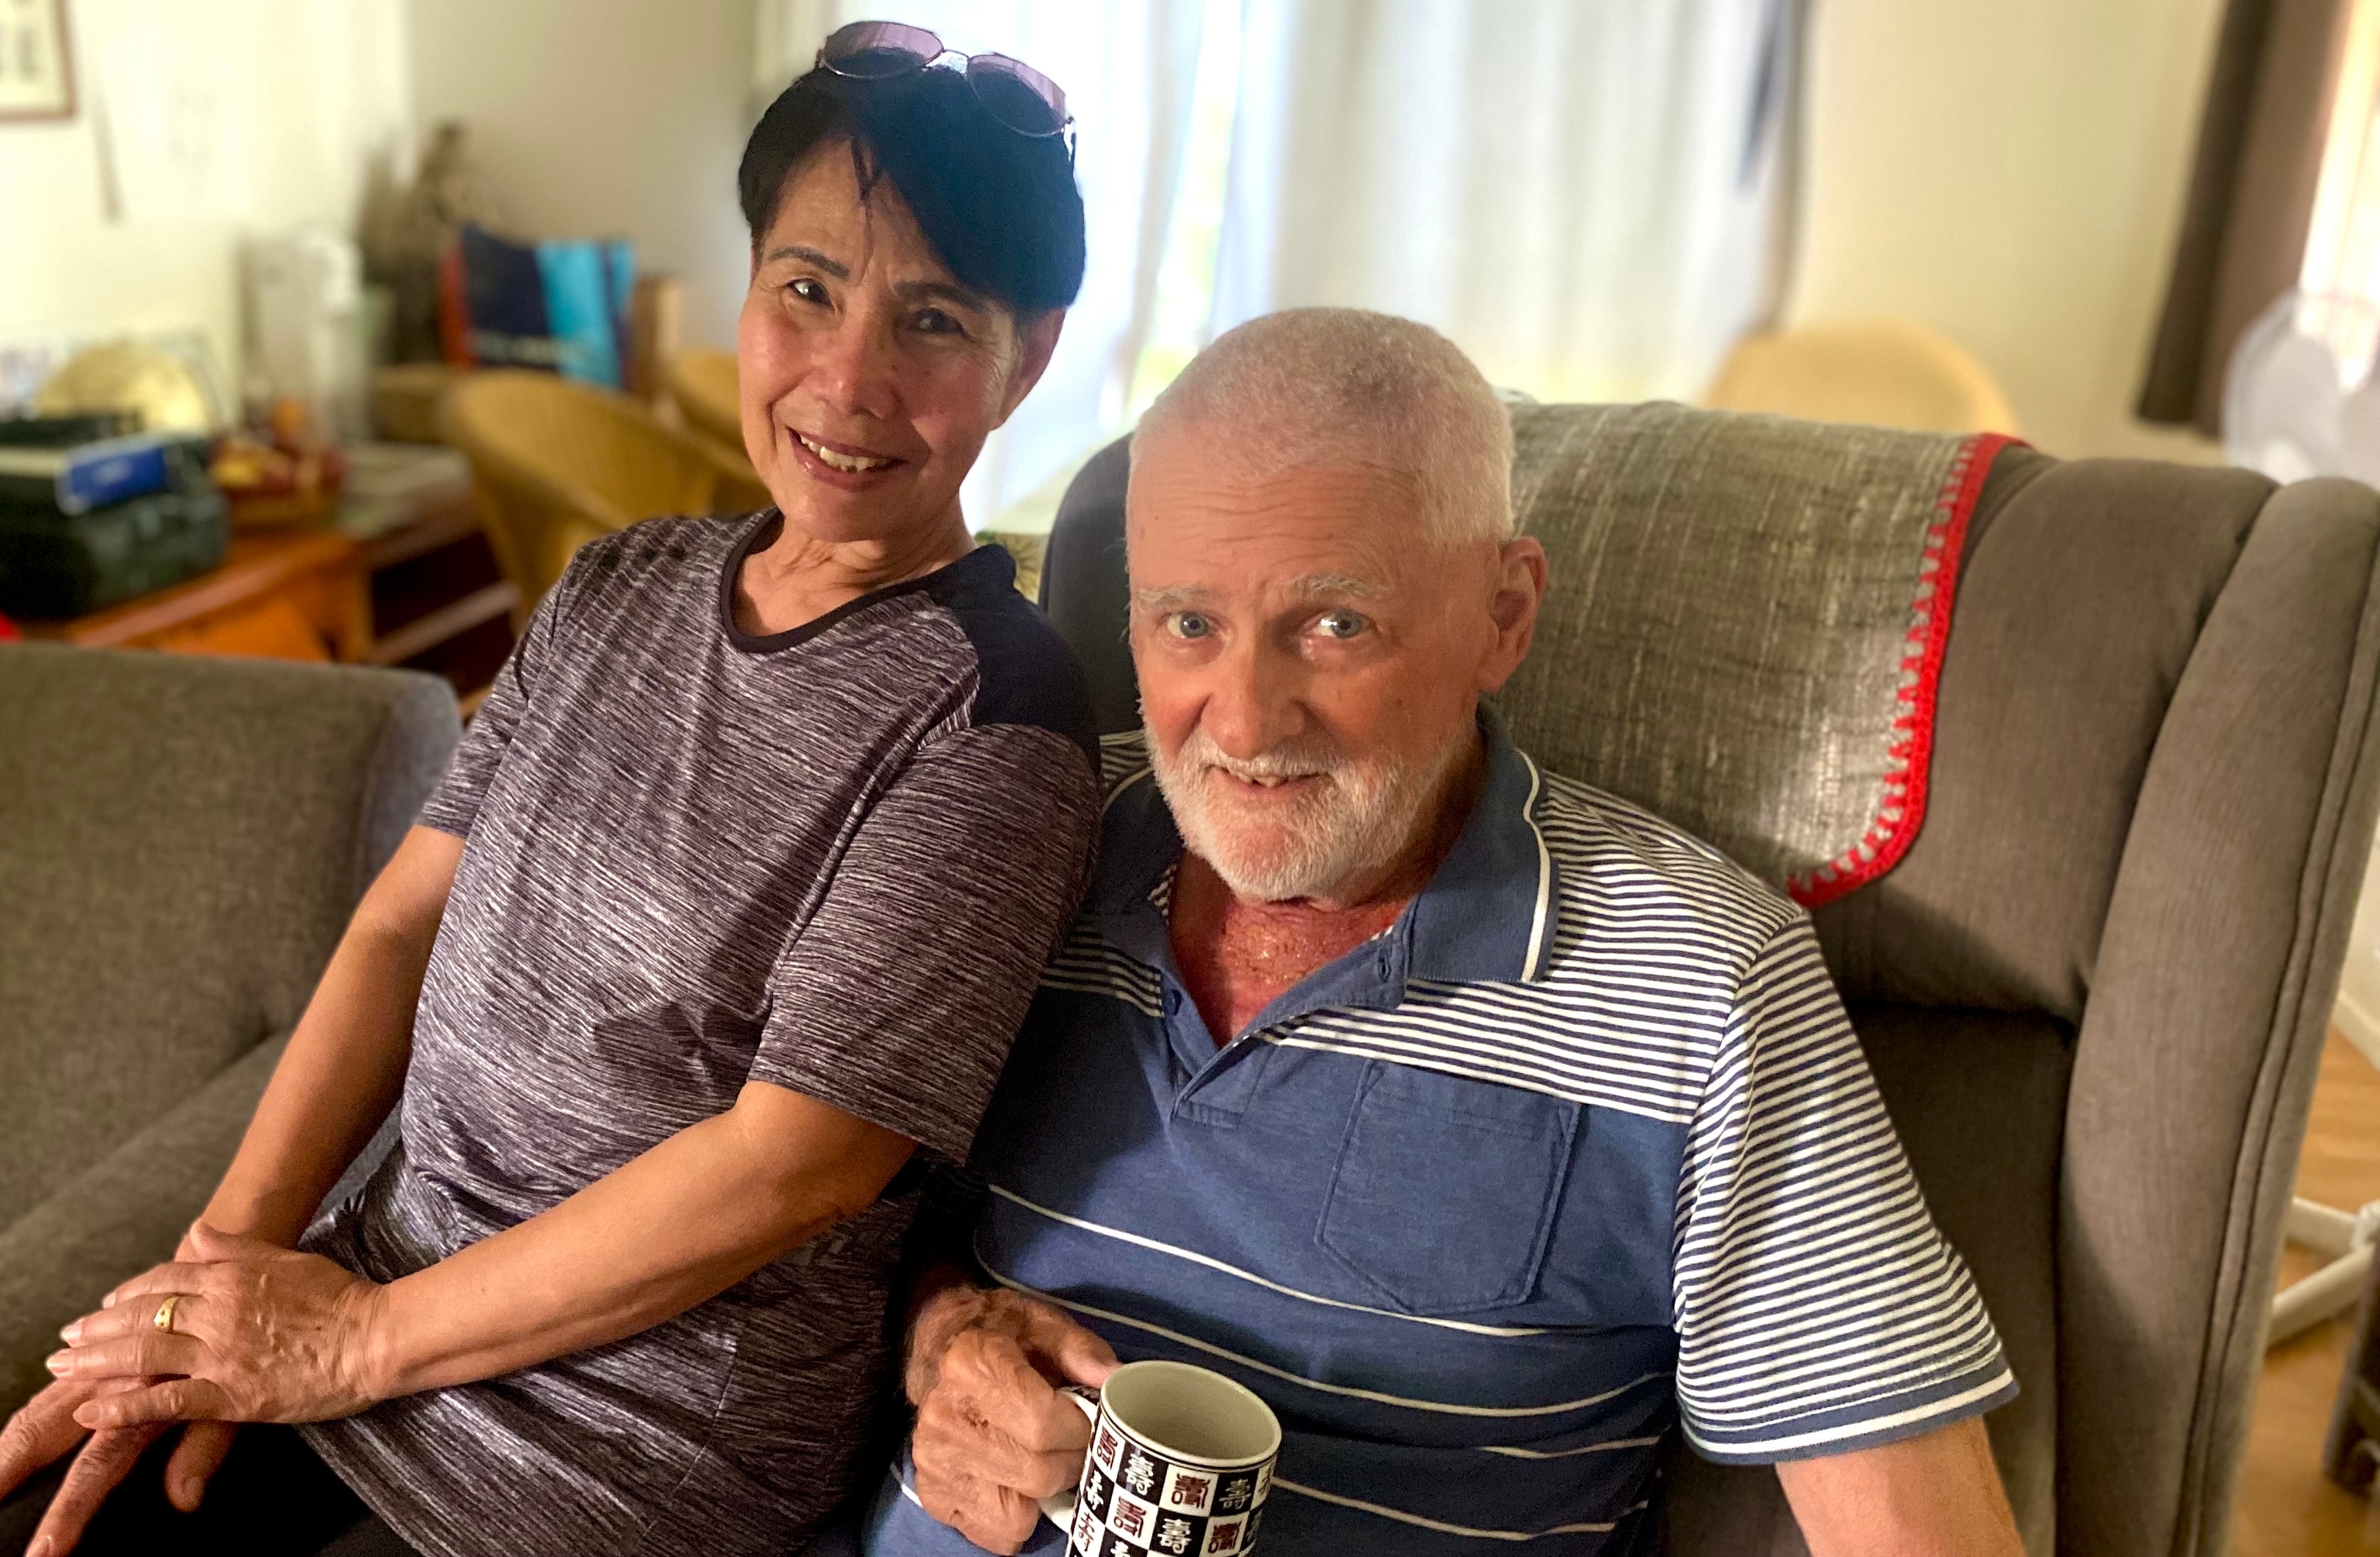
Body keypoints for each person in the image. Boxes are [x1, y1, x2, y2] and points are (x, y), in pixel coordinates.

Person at [0, 29, 1099, 1557]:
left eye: (933, 320)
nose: (849, 379)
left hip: (615, 1453)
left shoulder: (996, 717)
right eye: (807, 289)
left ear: (1030, 356)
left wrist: (349, 1346)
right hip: (365, 1302)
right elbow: (399, 929)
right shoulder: (618, 584)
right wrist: (210, 1280)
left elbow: (793, 1164)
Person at [861, 309, 2030, 1556]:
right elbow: (836, 1237)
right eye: (1188, 624)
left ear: (1504, 614)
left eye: (1334, 625)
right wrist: (942, 1337)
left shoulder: (1700, 984)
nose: (1244, 725)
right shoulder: (1030, 840)